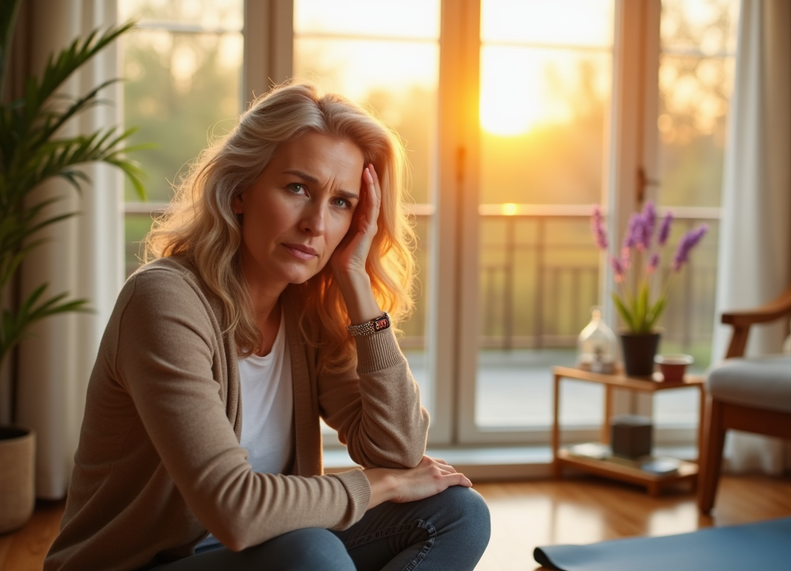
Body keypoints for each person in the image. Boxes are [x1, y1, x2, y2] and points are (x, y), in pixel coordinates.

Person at [44, 82, 491, 571]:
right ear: (240, 192)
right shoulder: (164, 301)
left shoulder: (308, 313)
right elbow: (234, 511)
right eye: (298, 188)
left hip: (268, 553)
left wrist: (357, 289)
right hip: (146, 563)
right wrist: (379, 485)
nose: (316, 224)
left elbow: (399, 451)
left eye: (341, 202)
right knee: (311, 551)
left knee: (458, 513)